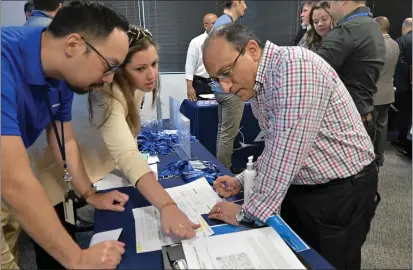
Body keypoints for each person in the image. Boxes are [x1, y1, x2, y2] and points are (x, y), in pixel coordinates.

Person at [203, 24, 379, 270]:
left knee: (329, 263)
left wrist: (245, 213)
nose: (225, 87)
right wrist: (242, 180)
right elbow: (277, 146)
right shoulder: (261, 84)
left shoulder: (296, 69)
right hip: (304, 188)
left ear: (252, 50)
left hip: (339, 193)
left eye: (226, 72)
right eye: (216, 79)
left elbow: (285, 155)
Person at [35, 25, 200, 253]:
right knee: (55, 248)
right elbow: (125, 153)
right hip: (52, 170)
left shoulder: (137, 86)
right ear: (120, 70)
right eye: (141, 68)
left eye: (154, 63)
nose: (151, 75)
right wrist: (167, 205)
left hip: (84, 165)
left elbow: (125, 138)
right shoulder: (105, 96)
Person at [1, 1, 131, 269]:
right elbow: (13, 181)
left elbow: (64, 139)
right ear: (73, 45)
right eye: (109, 66)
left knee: (12, 243)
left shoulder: (61, 74)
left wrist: (89, 193)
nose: (108, 79)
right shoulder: (5, 59)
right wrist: (78, 258)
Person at [318, 0, 385, 144]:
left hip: (345, 124)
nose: (329, 8)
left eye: (330, 3)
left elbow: (313, 72)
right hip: (364, 115)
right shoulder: (372, 25)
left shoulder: (348, 29)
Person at [210, 0, 247, 171]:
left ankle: (221, 169)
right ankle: (224, 172)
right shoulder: (226, 26)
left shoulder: (220, 24)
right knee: (227, 135)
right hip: (230, 90)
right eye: (244, 2)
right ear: (236, 2)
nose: (245, 6)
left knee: (223, 132)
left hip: (221, 88)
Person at [373, 16, 400, 166]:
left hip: (374, 94)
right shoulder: (395, 44)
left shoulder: (377, 45)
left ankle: (371, 159)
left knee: (371, 129)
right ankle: (379, 157)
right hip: (388, 93)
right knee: (382, 127)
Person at [185, 13, 218, 101]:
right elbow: (190, 65)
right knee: (201, 111)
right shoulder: (196, 42)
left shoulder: (222, 43)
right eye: (214, 23)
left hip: (216, 83)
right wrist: (189, 87)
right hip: (200, 83)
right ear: (206, 25)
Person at [393, 18, 412, 156]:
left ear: (404, 27)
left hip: (404, 85)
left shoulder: (402, 41)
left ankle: (404, 140)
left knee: (405, 114)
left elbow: (397, 64)